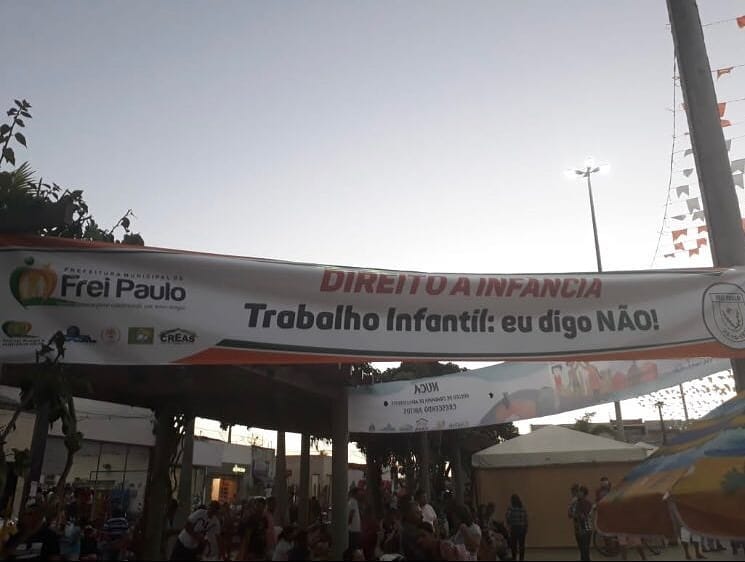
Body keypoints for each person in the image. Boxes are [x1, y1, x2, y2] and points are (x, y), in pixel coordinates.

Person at [572, 486, 593, 562]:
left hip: (585, 529)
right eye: (577, 492)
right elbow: (570, 514)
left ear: (584, 493)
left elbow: (584, 516)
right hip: (577, 528)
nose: (578, 493)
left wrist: (576, 514)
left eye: (580, 492)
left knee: (585, 550)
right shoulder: (575, 502)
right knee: (581, 549)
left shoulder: (587, 503)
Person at [505, 494, 527, 561]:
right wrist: (526, 528)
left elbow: (507, 516)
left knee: (514, 545)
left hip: (514, 528)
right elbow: (526, 518)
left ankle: (514, 558)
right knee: (521, 545)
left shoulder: (511, 508)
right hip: (522, 528)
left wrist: (509, 523)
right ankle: (521, 559)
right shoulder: (522, 507)